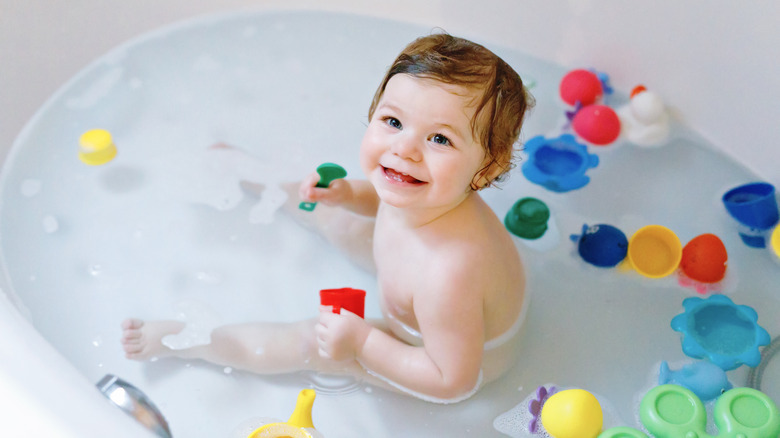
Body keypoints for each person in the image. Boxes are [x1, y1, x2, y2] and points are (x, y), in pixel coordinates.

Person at [121, 32, 534, 403]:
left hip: (433, 351)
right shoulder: (427, 192)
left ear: (486, 170)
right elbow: (385, 199)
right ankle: (251, 173)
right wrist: (345, 193)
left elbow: (452, 381)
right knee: (332, 211)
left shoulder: (448, 275)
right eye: (393, 121)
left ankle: (190, 341)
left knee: (308, 342)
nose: (404, 149)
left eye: (439, 138)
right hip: (409, 283)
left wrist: (362, 342)